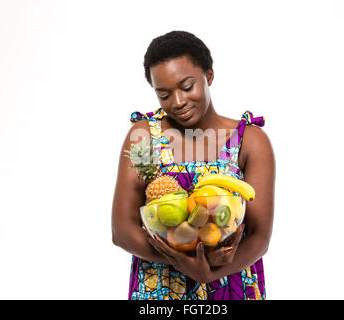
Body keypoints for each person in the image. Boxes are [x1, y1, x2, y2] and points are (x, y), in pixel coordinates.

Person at [112, 30, 275, 300]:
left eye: (187, 87)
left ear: (208, 76)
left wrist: (209, 273)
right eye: (163, 94)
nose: (178, 102)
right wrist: (181, 261)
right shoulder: (144, 137)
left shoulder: (249, 141)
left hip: (231, 283)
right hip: (162, 288)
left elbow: (259, 236)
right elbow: (122, 230)